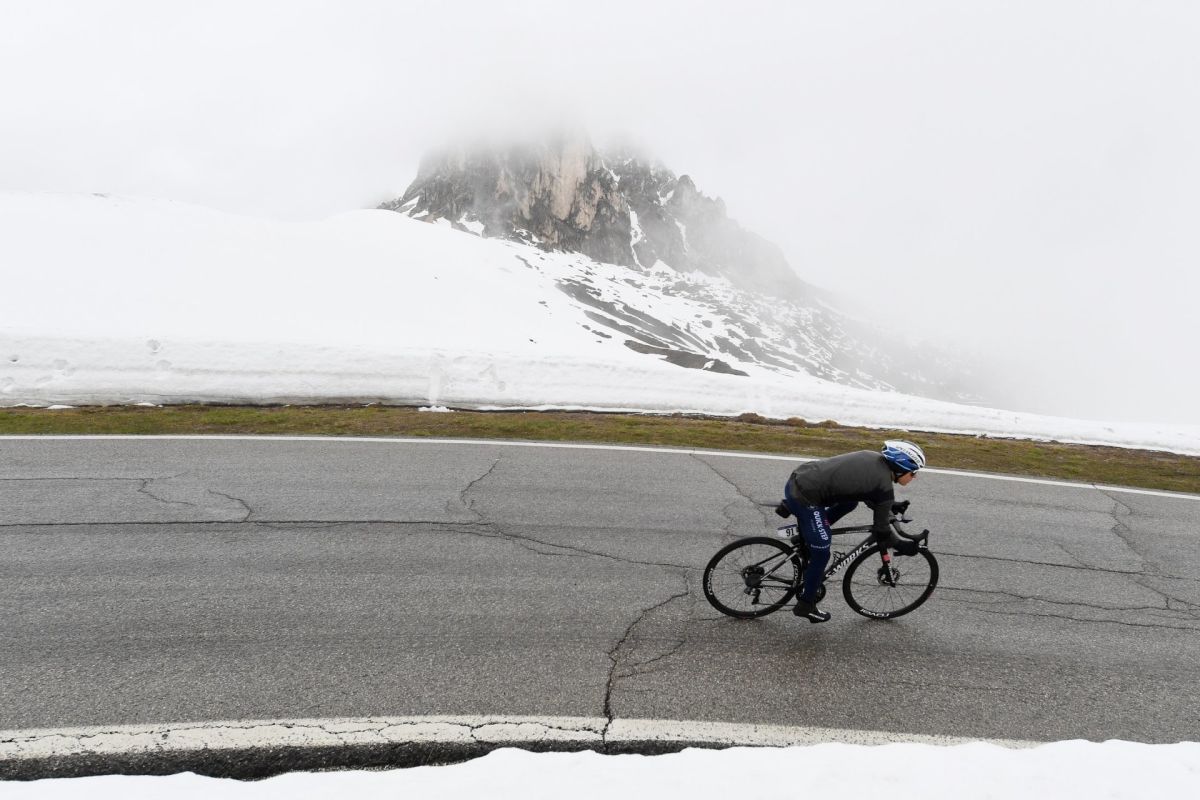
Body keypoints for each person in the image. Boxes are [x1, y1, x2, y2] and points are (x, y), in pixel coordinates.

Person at [779, 440, 926, 623]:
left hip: (801, 478)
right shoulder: (883, 484)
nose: (914, 477)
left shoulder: (874, 459)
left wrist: (889, 506)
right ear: (901, 468)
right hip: (804, 496)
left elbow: (865, 490)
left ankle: (809, 534)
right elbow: (882, 531)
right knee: (822, 553)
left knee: (850, 503)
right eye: (913, 472)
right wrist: (903, 546)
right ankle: (805, 605)